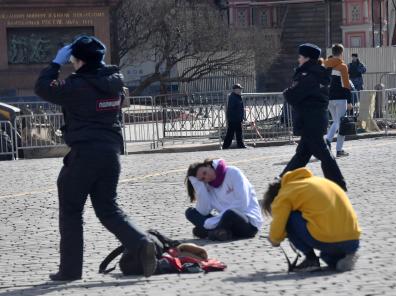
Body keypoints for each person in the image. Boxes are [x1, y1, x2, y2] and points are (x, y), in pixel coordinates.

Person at [34, 36, 157, 281]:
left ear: (78, 60)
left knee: (71, 212)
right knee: (108, 209)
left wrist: (55, 65)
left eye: (71, 59)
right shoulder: (115, 83)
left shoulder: (77, 86)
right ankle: (141, 242)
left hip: (84, 154)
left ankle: (70, 270)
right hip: (111, 154)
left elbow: (43, 87)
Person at [262, 167, 361, 272]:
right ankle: (345, 256)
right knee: (326, 257)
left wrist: (274, 239)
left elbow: (279, 224)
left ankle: (311, 259)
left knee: (289, 217)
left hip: (328, 239)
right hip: (353, 239)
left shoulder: (285, 193)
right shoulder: (321, 181)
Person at [281, 43, 347, 192]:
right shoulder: (316, 72)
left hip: (311, 120)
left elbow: (295, 95)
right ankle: (282, 181)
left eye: (300, 57)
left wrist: (286, 93)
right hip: (313, 119)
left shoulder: (310, 75)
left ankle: (338, 184)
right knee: (302, 156)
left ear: (306, 58)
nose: (298, 59)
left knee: (323, 154)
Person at [184, 158, 263, 241]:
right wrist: (199, 186)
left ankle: (211, 232)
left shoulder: (233, 172)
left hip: (248, 223)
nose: (207, 177)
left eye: (205, 173)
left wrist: (212, 222)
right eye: (203, 179)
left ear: (207, 166)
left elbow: (242, 203)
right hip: (226, 223)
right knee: (190, 212)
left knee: (230, 213)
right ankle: (219, 232)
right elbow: (204, 211)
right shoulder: (208, 186)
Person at [325, 44, 353, 157]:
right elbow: (346, 85)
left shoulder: (325, 65)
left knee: (335, 122)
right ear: (341, 53)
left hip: (328, 98)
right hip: (340, 98)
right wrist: (350, 101)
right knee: (341, 123)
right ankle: (337, 148)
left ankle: (328, 141)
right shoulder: (342, 66)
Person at [222, 84, 246, 149]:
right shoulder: (233, 97)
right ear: (235, 90)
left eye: (241, 89)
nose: (240, 90)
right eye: (239, 89)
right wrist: (236, 116)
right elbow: (232, 108)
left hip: (237, 118)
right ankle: (225, 146)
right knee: (231, 133)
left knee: (238, 132)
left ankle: (240, 145)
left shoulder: (237, 96)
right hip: (234, 118)